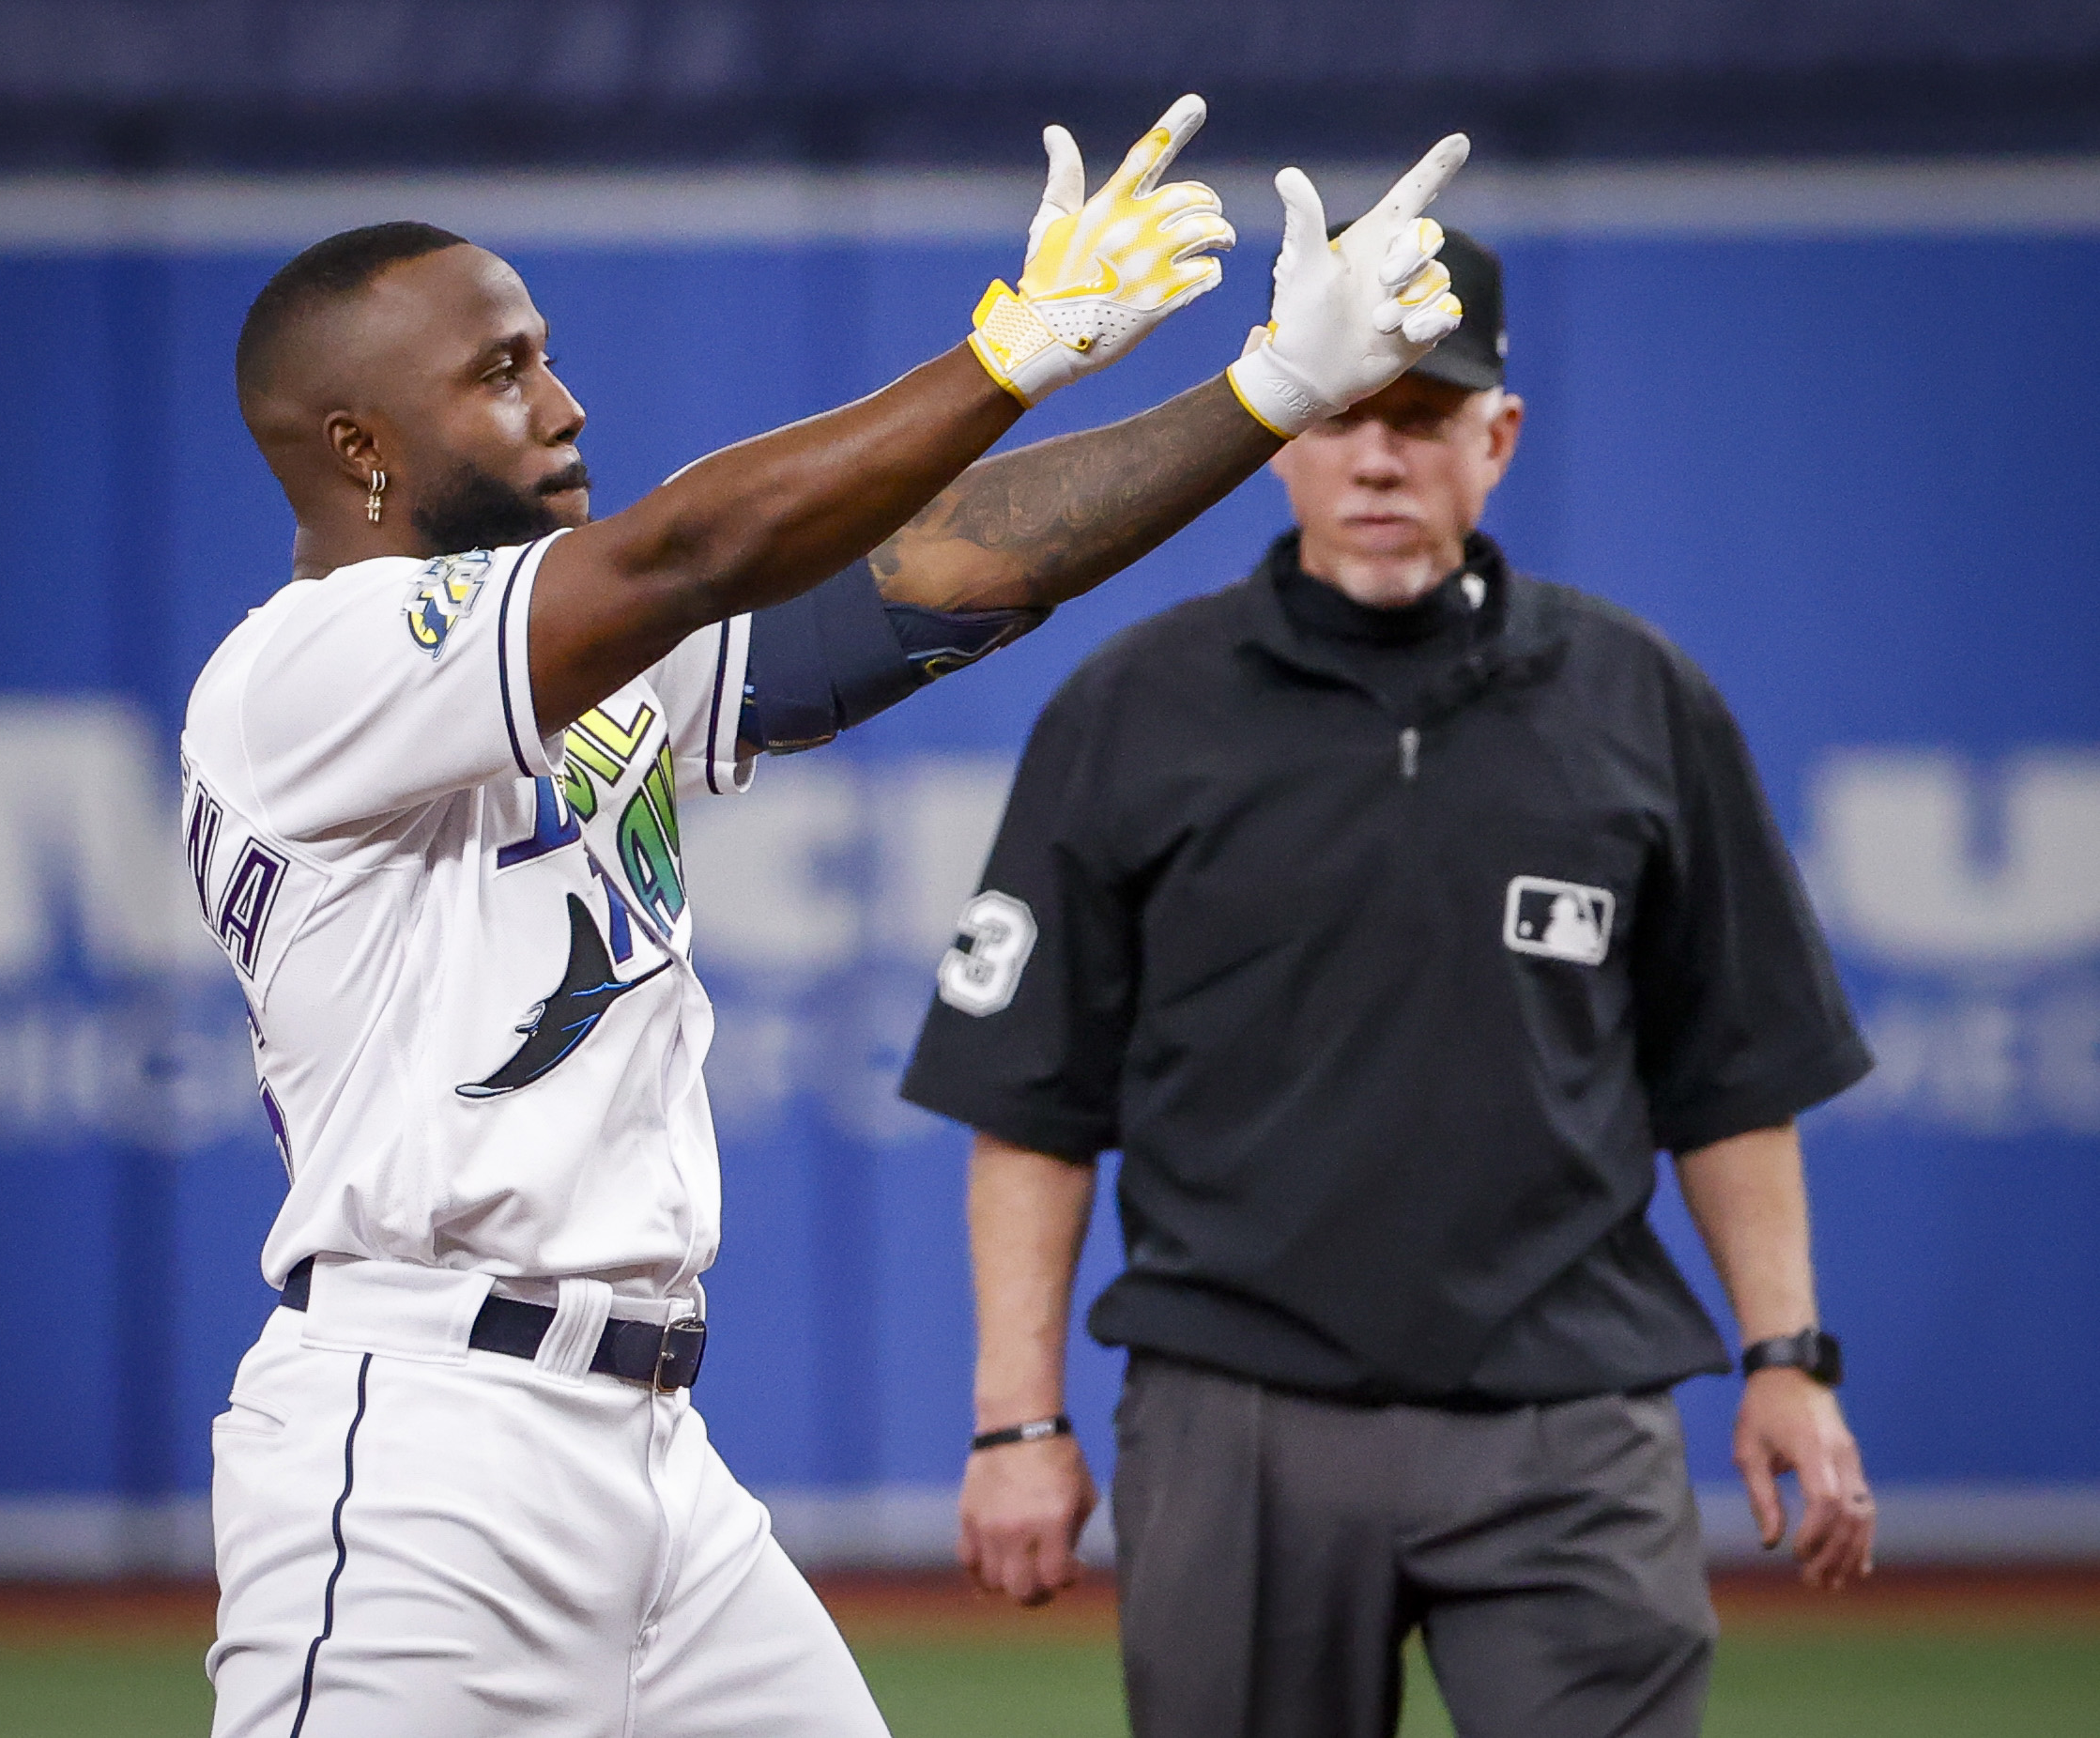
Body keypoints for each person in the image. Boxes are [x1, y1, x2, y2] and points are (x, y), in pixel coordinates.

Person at [184, 94, 1474, 1738]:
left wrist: (1269, 394)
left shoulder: (561, 658)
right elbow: (696, 548)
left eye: (546, 354)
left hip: (649, 1456)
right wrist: (1007, 355)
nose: (563, 404)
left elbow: (919, 587)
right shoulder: (312, 667)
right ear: (359, 445)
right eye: (499, 374)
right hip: (427, 1451)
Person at [900, 225, 1880, 1738]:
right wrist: (1014, 1420)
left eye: (1420, 421)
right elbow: (1029, 1100)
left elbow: (1735, 1071)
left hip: (1570, 1419)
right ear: (1278, 439)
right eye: (1340, 416)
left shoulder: (1638, 699)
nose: (1376, 462)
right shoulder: (1134, 708)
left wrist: (1789, 1362)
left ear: (1500, 438)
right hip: (1240, 1413)